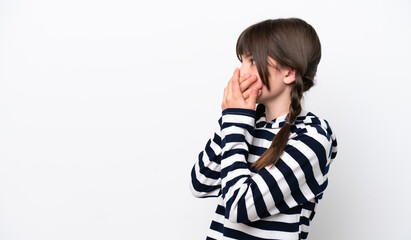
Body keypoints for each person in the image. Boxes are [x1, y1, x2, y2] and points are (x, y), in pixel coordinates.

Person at [190, 18, 338, 240]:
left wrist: (236, 119)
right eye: (242, 61)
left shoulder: (312, 138)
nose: (240, 71)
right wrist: (233, 118)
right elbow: (200, 183)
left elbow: (239, 207)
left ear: (288, 72)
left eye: (251, 60)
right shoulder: (246, 123)